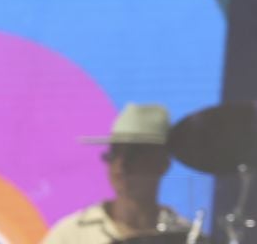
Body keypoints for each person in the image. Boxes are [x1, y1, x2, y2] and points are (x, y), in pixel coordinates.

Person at [40, 104, 192, 243]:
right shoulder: (70, 235)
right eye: (114, 153)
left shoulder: (187, 237)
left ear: (162, 164)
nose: (121, 165)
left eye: (134, 154)